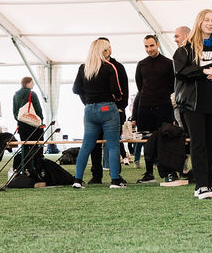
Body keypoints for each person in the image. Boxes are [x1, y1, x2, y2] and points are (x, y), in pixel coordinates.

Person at [174, 8, 212, 199]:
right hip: (192, 105)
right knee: (198, 143)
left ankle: (206, 185)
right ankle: (200, 186)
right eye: (206, 20)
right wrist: (205, 71)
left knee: (210, 145)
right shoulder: (185, 49)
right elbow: (181, 71)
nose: (210, 23)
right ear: (199, 22)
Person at [72, 38, 127, 189]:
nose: (109, 51)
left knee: (86, 146)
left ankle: (77, 179)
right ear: (104, 51)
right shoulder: (109, 67)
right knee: (113, 145)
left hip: (89, 109)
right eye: (108, 48)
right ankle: (115, 180)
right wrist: (116, 98)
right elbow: (117, 92)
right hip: (107, 109)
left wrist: (88, 98)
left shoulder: (84, 68)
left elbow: (76, 89)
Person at [87, 38, 129, 185]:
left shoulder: (118, 67)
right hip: (95, 111)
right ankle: (96, 175)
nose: (108, 50)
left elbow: (124, 89)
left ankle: (115, 175)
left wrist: (120, 107)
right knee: (95, 144)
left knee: (114, 144)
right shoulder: (91, 66)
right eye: (105, 48)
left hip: (114, 111)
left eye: (109, 47)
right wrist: (88, 103)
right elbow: (82, 89)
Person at [135, 34, 175, 183]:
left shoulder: (168, 63)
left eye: (151, 45)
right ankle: (149, 173)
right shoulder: (141, 64)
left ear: (157, 44)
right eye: (146, 46)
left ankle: (171, 173)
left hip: (164, 106)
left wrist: (162, 95)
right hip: (145, 107)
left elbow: (173, 85)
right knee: (148, 141)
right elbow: (140, 86)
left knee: (167, 139)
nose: (149, 49)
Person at [11, 78, 44, 174]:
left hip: (22, 125)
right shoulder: (32, 94)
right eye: (32, 83)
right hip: (33, 125)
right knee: (36, 146)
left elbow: (14, 111)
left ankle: (25, 168)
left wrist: (20, 120)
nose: (33, 84)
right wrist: (41, 120)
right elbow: (38, 110)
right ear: (27, 84)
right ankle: (35, 168)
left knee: (25, 146)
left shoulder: (16, 95)